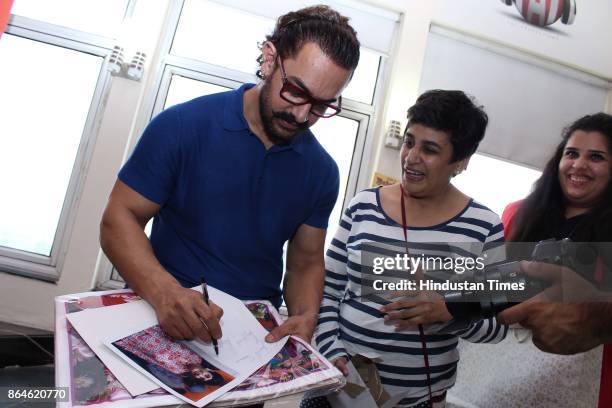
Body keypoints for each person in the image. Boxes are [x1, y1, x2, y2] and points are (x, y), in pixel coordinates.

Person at [99, 5, 360, 344]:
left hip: (251, 341)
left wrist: (306, 314)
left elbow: (306, 262)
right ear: (270, 59)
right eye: (296, 91)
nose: (300, 114)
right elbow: (118, 218)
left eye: (321, 106)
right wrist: (164, 293)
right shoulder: (181, 127)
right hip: (162, 314)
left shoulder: (322, 172)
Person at [313, 90, 507, 407]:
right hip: (339, 386)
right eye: (409, 141)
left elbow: (498, 324)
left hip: (420, 398)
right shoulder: (364, 205)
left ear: (460, 162)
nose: (411, 157)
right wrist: (330, 350)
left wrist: (448, 312)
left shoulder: (483, 226)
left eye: (429, 149)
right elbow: (328, 289)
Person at [495, 113, 612, 407]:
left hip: (590, 383)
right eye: (571, 153)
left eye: (596, 157)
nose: (579, 164)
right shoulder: (517, 214)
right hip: (504, 374)